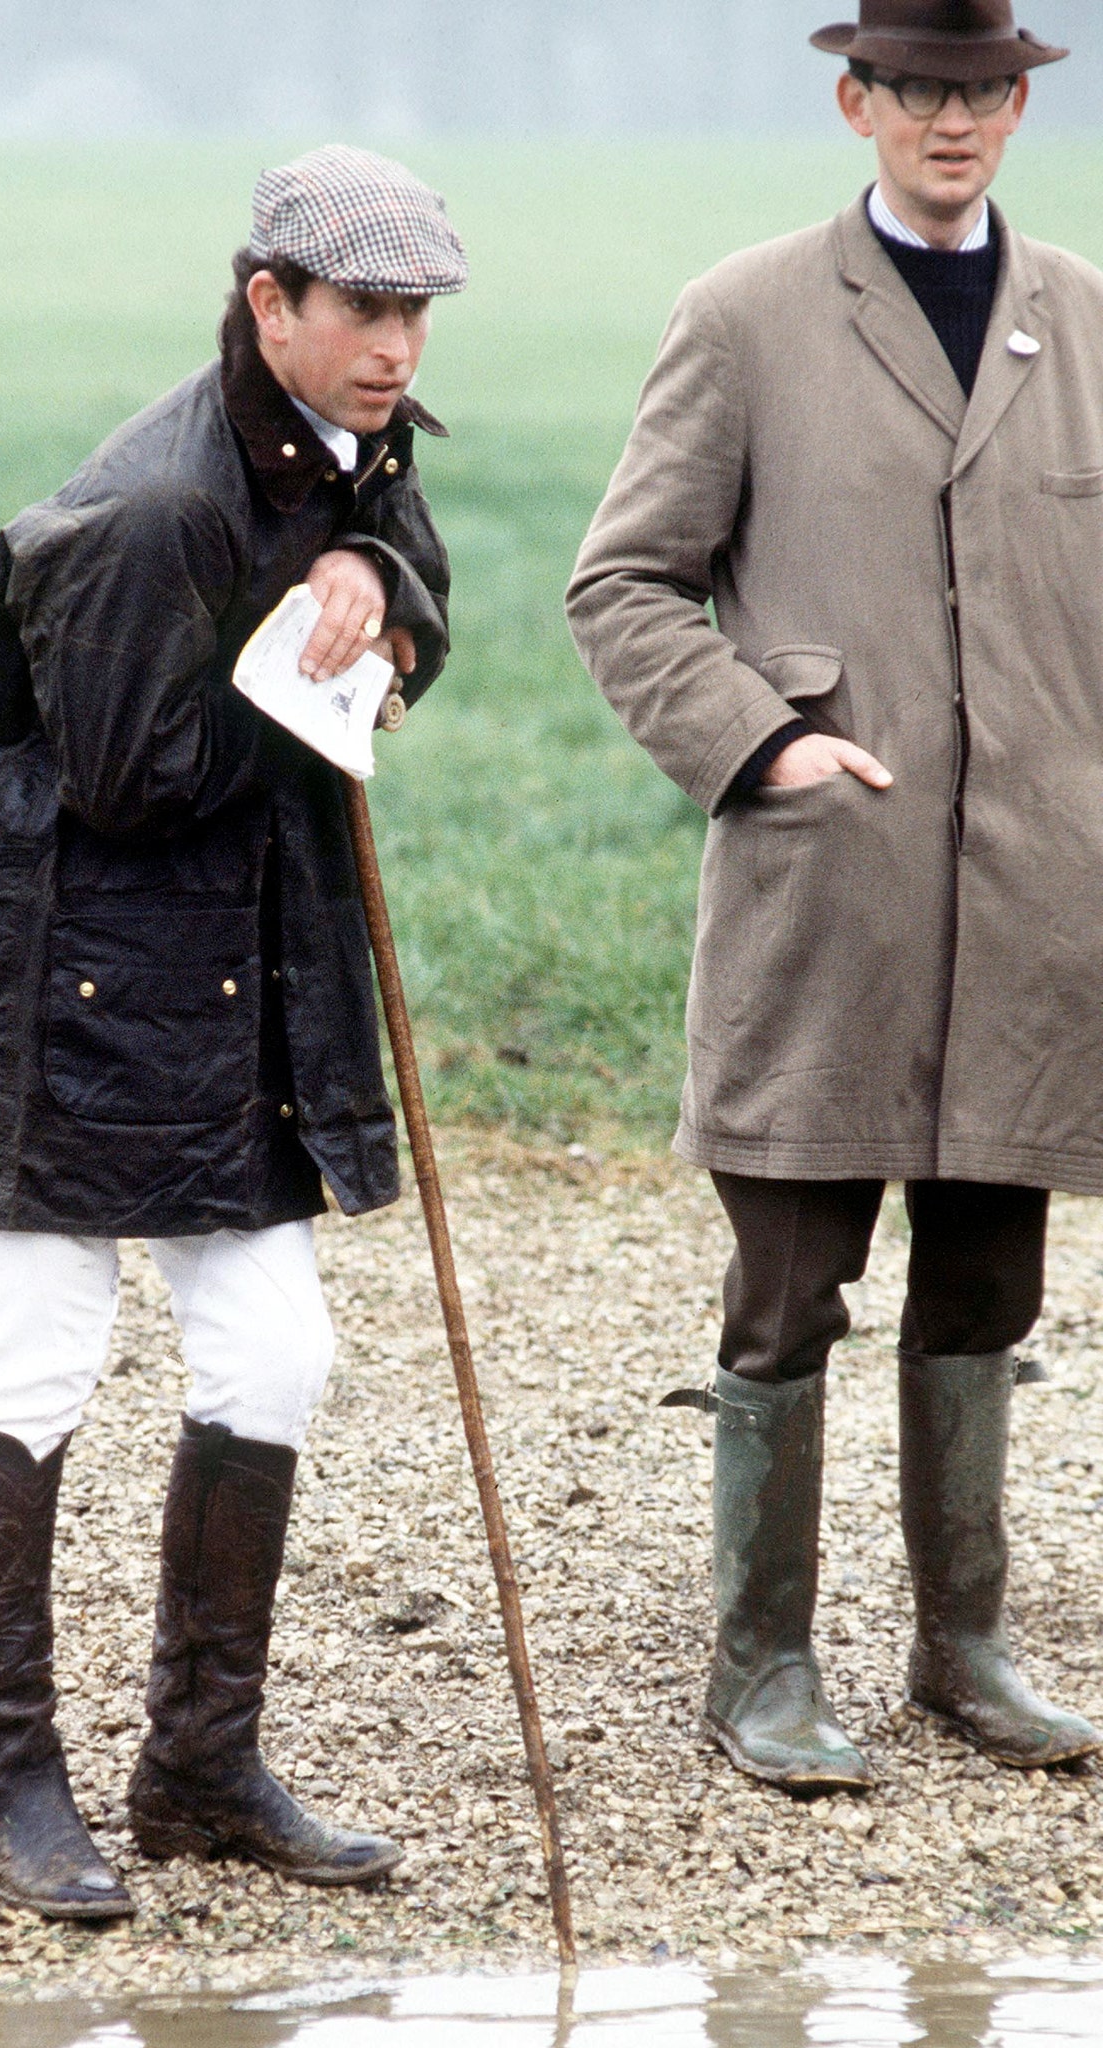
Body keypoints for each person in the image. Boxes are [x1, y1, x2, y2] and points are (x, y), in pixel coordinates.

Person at [0, 147, 467, 1916]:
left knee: (277, 1357)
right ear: (269, 306)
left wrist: (376, 585)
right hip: (63, 990)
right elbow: (137, 779)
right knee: (36, 1359)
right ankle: (7, 1787)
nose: (396, 345)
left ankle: (199, 1769)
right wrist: (310, 668)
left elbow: (416, 605)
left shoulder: (349, 454)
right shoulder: (154, 511)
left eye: (415, 312)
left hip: (238, 985)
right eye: (365, 310)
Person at [567, 0, 1102, 1794]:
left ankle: (967, 1652)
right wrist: (761, 743)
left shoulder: (1089, 321)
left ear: (1020, 106)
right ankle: (763, 1668)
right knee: (788, 1293)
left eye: (987, 89)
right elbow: (626, 583)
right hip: (828, 896)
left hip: (1036, 911)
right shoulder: (748, 317)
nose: (955, 121)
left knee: (985, 1291)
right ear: (859, 100)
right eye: (922, 89)